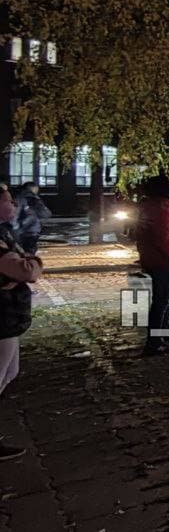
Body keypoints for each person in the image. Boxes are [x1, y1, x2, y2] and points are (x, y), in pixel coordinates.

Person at [0, 192, 42, 460]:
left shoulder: (5, 233)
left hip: (9, 314)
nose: (13, 205)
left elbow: (25, 264)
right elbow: (27, 269)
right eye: (7, 200)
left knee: (10, 371)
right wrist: (32, 263)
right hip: (2, 315)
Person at [134, 175, 169, 354]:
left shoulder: (153, 207)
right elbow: (162, 240)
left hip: (157, 260)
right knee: (161, 302)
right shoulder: (160, 210)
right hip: (163, 262)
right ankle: (154, 342)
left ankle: (163, 334)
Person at [14, 182, 50, 255]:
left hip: (17, 231)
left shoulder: (17, 198)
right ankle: (28, 265)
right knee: (29, 253)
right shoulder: (34, 199)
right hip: (31, 230)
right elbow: (45, 214)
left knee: (19, 252)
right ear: (33, 188)